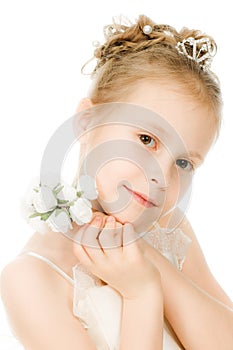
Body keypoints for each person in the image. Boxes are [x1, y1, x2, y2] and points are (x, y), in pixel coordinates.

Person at [0, 14, 233, 350]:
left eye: (183, 163)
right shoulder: (32, 279)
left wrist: (150, 259)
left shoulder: (171, 232)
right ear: (87, 122)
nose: (162, 178)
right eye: (147, 139)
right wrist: (142, 293)